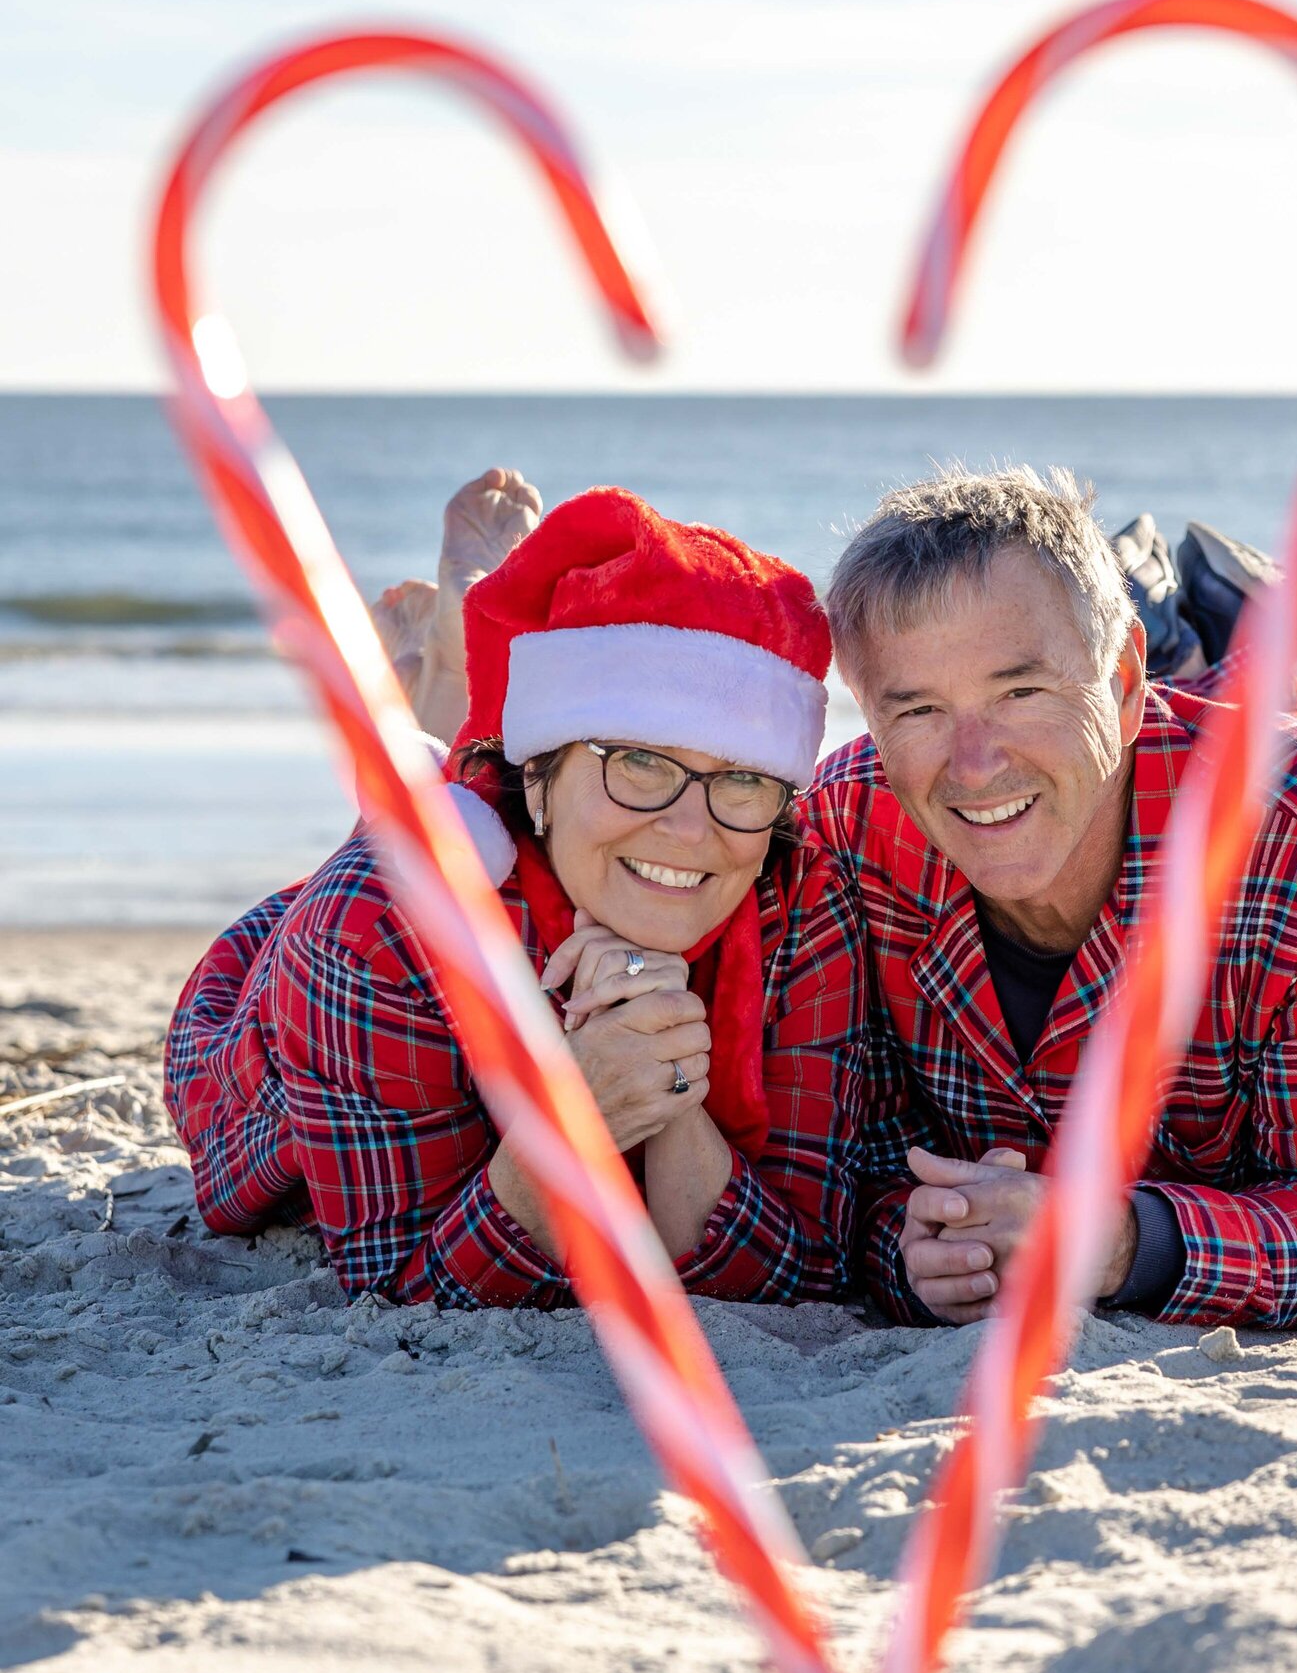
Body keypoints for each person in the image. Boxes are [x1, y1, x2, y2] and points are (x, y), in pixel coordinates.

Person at [809, 465, 1297, 1330]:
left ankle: (1221, 637)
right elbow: (835, 1180)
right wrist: (918, 1252)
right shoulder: (844, 826)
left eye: (1019, 691)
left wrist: (1115, 1244)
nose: (972, 762)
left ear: (1118, 683)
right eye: (917, 709)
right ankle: (1187, 631)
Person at [165, 487, 882, 1309]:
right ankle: (436, 693)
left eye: (745, 778)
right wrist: (578, 1120)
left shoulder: (802, 897)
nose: (691, 829)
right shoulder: (372, 931)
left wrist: (668, 1092)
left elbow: (806, 1271)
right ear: (539, 773)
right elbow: (405, 1285)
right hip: (270, 1036)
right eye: (639, 762)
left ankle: (439, 703)